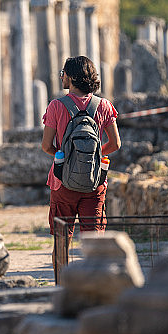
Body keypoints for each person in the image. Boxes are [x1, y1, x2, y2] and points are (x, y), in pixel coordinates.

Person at [41, 55, 121, 238]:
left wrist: (67, 156)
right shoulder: (104, 106)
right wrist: (93, 155)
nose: (61, 77)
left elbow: (46, 146)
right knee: (95, 242)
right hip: (94, 180)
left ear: (71, 77)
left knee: (61, 241)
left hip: (62, 181)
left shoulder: (56, 106)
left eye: (63, 73)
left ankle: (61, 268)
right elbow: (116, 143)